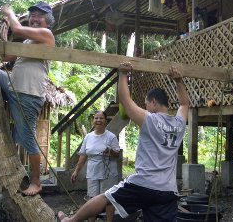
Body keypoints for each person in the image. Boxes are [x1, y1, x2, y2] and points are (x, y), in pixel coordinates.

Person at [58, 62, 190, 222]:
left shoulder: (150, 119)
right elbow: (184, 104)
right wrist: (178, 81)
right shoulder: (179, 124)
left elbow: (126, 102)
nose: (146, 107)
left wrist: (122, 75)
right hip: (168, 190)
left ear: (153, 102)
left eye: (147, 104)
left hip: (144, 184)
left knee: (106, 198)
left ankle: (70, 221)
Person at [0, 1, 56, 196]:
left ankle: (37, 182)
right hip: (13, 86)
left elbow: (18, 28)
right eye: (32, 16)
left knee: (28, 139)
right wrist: (4, 32)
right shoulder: (26, 43)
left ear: (47, 21)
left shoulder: (47, 36)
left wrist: (9, 12)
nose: (34, 18)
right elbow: (5, 56)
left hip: (28, 95)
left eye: (39, 16)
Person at [71, 111, 120, 222]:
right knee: (92, 198)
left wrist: (110, 151)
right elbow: (83, 155)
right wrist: (76, 171)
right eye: (96, 118)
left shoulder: (111, 136)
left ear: (106, 121)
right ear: (93, 121)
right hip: (93, 170)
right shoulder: (88, 137)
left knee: (108, 198)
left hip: (108, 172)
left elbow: (117, 154)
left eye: (101, 118)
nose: (98, 120)